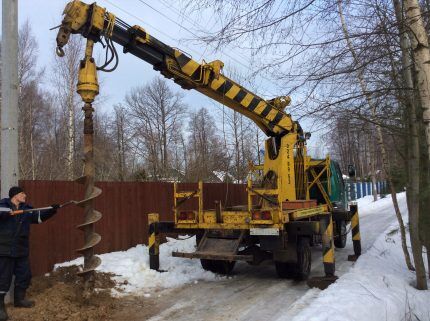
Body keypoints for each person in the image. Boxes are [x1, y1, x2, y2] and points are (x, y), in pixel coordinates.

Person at [0, 186, 60, 321]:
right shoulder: (3, 205)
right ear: (15, 195)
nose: (25, 195)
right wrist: (9, 211)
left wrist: (52, 210)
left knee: (24, 275)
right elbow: (1, 212)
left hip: (21, 249)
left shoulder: (27, 209)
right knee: (3, 279)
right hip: (5, 250)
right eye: (22, 193)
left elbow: (38, 218)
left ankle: (19, 300)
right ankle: (0, 308)